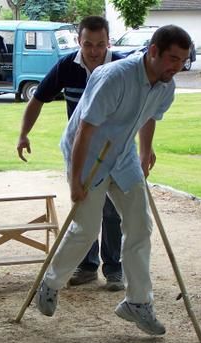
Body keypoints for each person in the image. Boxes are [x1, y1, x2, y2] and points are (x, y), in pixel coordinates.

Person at [33, 25, 192, 336]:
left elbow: (148, 117)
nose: (177, 67)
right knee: (87, 227)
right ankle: (50, 283)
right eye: (173, 59)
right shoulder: (115, 76)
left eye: (183, 61)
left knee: (140, 224)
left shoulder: (165, 85)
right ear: (154, 51)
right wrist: (76, 179)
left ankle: (138, 302)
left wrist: (145, 152)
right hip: (89, 153)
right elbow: (85, 129)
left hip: (123, 154)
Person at [17, 16, 126, 292]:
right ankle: (87, 266)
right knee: (83, 207)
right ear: (79, 41)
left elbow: (141, 108)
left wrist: (147, 148)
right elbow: (38, 99)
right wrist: (23, 134)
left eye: (100, 45)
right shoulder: (67, 66)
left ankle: (113, 268)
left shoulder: (122, 66)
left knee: (112, 211)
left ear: (108, 41)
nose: (93, 51)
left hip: (113, 151)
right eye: (88, 44)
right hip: (80, 151)